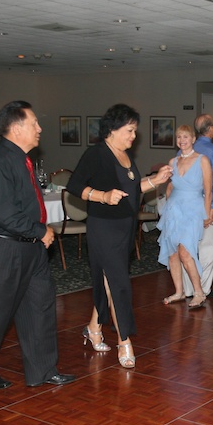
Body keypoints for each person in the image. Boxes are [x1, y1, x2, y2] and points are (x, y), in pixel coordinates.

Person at [0, 100, 74, 388]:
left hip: (30, 248)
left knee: (39, 307)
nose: (40, 129)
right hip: (4, 248)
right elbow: (3, 212)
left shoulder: (19, 159)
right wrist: (39, 231)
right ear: (16, 129)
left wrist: (37, 233)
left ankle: (43, 369)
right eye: (34, 124)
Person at [66, 104, 172, 368]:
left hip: (124, 228)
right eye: (130, 130)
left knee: (109, 281)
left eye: (134, 131)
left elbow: (132, 190)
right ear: (112, 130)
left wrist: (155, 180)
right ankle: (124, 342)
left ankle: (93, 328)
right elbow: (74, 185)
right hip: (103, 228)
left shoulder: (126, 157)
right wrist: (102, 196)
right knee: (119, 285)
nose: (133, 136)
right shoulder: (97, 153)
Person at [157, 125, 213, 309]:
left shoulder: (202, 160)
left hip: (193, 209)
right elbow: (170, 185)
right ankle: (179, 291)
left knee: (185, 252)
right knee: (173, 253)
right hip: (174, 209)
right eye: (179, 137)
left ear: (193, 139)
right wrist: (168, 202)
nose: (182, 140)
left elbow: (208, 189)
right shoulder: (173, 161)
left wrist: (206, 213)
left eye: (186, 137)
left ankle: (198, 292)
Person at [181, 114, 213, 300]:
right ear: (211, 129)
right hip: (204, 204)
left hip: (184, 204)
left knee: (187, 247)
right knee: (209, 246)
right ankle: (204, 288)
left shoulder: (185, 149)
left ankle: (189, 288)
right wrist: (212, 207)